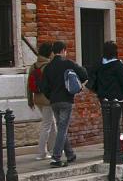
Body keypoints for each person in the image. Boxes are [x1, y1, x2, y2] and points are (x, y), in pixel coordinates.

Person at [39, 40, 88, 168]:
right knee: (62, 128)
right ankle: (56, 158)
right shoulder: (68, 63)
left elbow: (43, 87)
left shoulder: (48, 67)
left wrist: (51, 96)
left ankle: (70, 154)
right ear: (63, 51)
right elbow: (84, 74)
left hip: (54, 101)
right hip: (66, 100)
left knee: (62, 127)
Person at [26, 42, 57, 160]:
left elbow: (28, 86)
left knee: (51, 125)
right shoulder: (49, 66)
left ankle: (54, 149)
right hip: (47, 100)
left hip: (37, 99)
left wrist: (30, 100)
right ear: (49, 53)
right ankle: (41, 153)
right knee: (47, 126)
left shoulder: (33, 66)